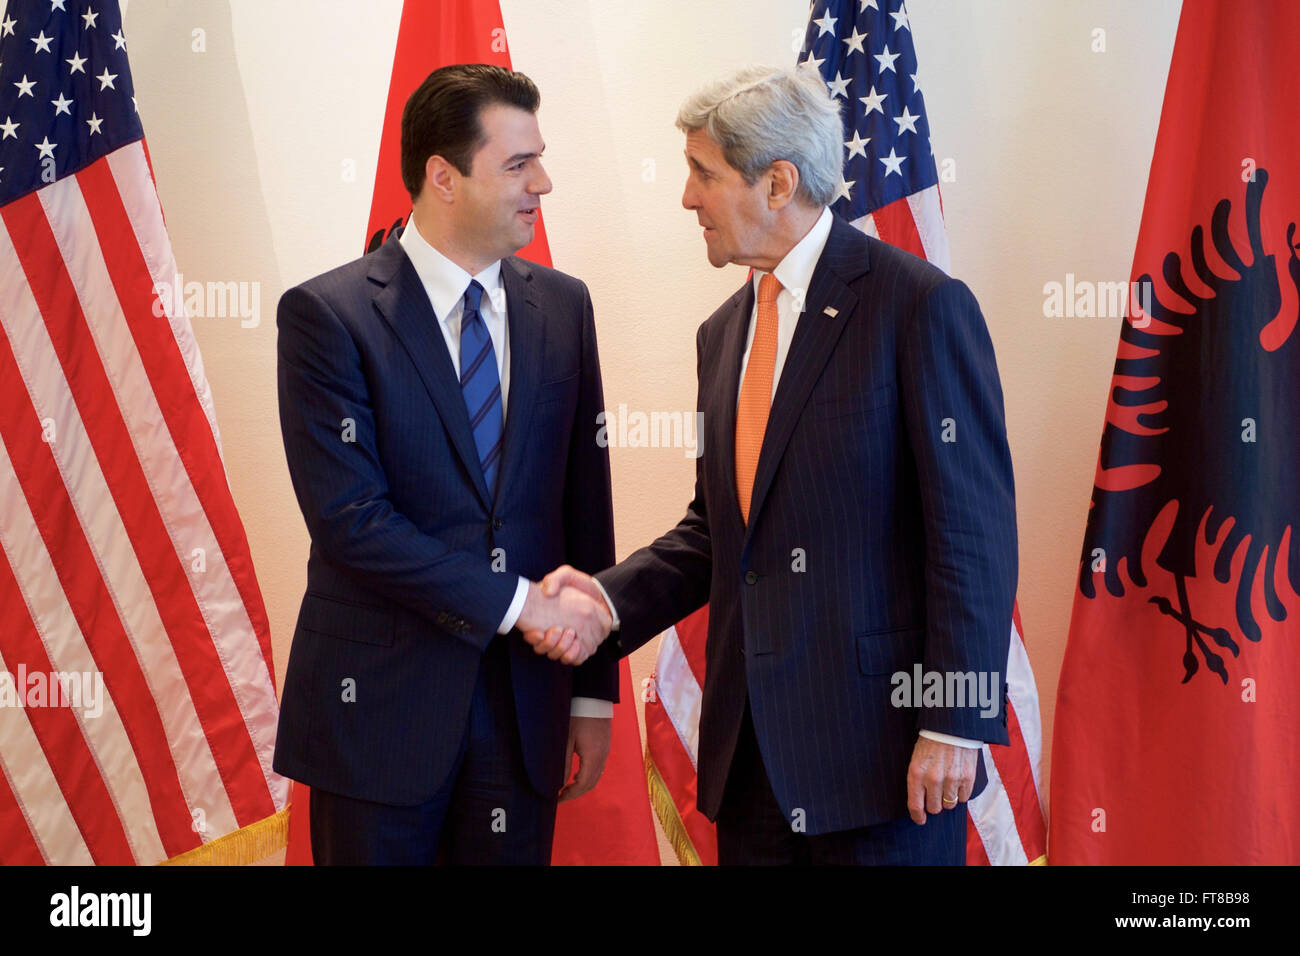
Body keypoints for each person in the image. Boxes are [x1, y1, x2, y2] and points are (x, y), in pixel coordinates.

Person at [528, 65, 1018, 864]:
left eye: (704, 173)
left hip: (885, 762)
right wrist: (605, 605)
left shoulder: (917, 306)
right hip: (751, 765)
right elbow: (719, 534)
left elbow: (973, 536)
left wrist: (954, 721)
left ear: (778, 181)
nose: (687, 198)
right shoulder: (723, 334)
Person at [273, 63, 617, 865]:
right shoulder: (329, 316)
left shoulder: (565, 306)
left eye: (541, 158)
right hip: (381, 715)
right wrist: (520, 604)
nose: (545, 182)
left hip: (525, 710)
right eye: (518, 164)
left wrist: (594, 692)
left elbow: (583, 503)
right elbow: (353, 524)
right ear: (443, 177)